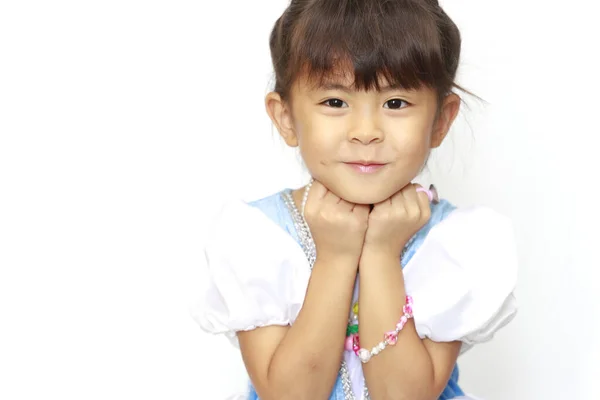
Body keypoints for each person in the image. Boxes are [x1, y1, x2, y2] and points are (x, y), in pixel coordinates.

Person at [192, 0, 518, 399]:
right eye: (335, 102)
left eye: (395, 103)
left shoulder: (453, 246)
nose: (366, 131)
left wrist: (381, 254)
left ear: (441, 120)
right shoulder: (258, 240)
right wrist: (336, 257)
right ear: (286, 117)